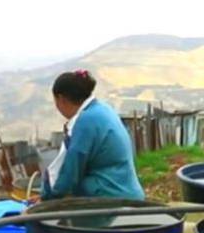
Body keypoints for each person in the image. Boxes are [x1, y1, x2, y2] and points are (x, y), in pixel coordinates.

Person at [42, 70, 144, 201]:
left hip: (109, 199)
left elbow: (69, 170)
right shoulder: (102, 109)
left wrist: (47, 196)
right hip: (129, 192)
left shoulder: (85, 121)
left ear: (61, 99)